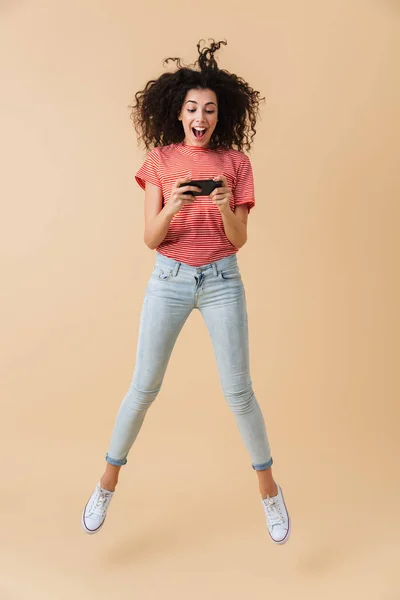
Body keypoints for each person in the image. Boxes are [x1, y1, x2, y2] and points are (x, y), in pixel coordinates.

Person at [81, 39, 291, 544]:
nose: (202, 117)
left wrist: (222, 205)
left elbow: (240, 239)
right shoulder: (159, 160)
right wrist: (174, 204)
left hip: (222, 281)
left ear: (222, 115)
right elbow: (151, 238)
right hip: (169, 280)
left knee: (239, 392)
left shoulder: (236, 163)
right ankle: (106, 482)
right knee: (143, 388)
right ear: (179, 113)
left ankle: (269, 492)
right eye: (193, 108)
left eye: (210, 110)